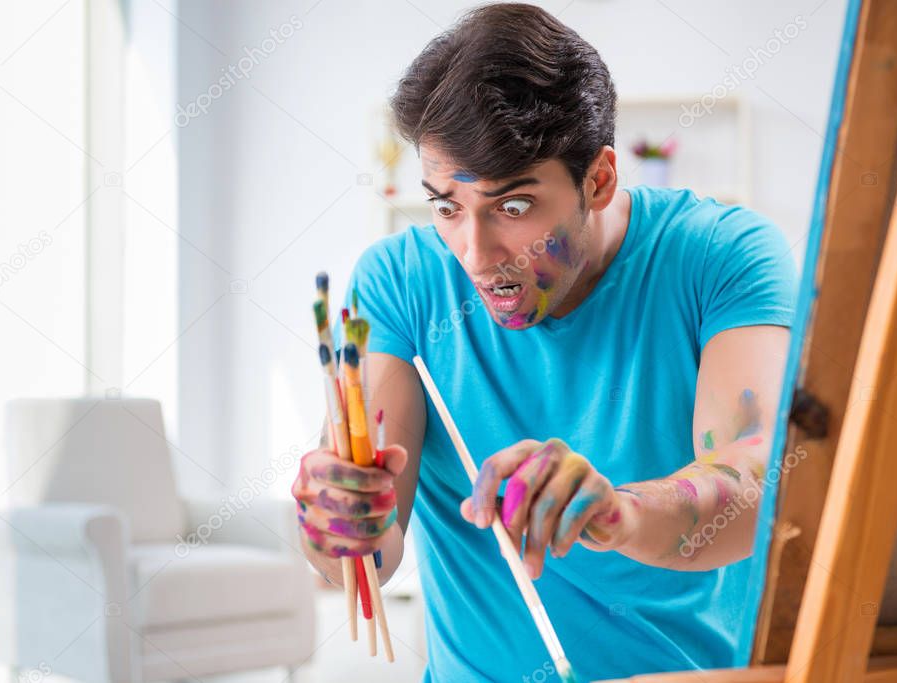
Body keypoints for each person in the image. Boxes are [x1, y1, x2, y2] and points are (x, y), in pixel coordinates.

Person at [291, 4, 796, 680]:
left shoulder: (724, 255)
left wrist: (618, 510)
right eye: (446, 207)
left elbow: (759, 480)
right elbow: (366, 564)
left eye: (512, 208)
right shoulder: (399, 284)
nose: (474, 253)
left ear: (599, 178)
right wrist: (336, 526)